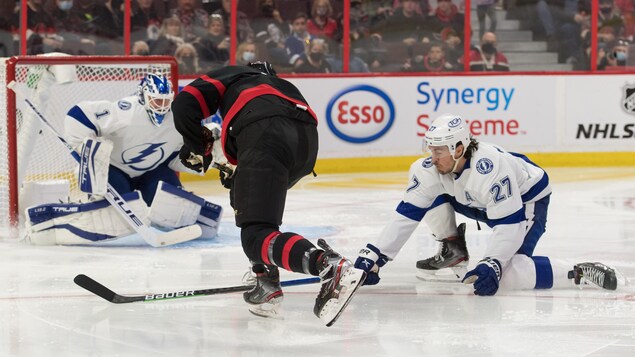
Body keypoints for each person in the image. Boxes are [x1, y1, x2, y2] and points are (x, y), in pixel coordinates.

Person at [171, 61, 366, 326]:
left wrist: (198, 146)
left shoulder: (233, 75)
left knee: (255, 234)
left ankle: (327, 265)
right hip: (305, 144)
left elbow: (183, 104)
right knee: (253, 210)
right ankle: (266, 281)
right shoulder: (280, 86)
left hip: (264, 131)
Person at [354, 113, 622, 296]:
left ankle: (577, 273)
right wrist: (376, 254)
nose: (432, 157)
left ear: (459, 148)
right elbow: (407, 214)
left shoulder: (490, 168)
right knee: (429, 193)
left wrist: (493, 262)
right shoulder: (430, 168)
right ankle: (453, 250)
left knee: (506, 274)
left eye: (438, 150)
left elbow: (509, 225)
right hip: (478, 202)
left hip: (526, 200)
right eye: (430, 149)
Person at [24, 72, 222, 246]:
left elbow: (175, 158)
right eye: (156, 101)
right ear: (144, 96)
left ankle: (197, 219)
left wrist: (207, 159)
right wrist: (85, 147)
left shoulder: (178, 119)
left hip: (151, 171)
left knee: (171, 205)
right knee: (116, 216)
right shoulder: (126, 112)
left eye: (165, 101)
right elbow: (78, 115)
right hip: (114, 169)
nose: (161, 107)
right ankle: (52, 220)